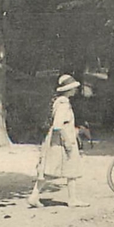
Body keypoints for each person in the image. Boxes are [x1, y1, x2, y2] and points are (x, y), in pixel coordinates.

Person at [28, 74, 89, 208]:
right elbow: (58, 125)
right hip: (62, 141)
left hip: (61, 140)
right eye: (73, 88)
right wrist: (67, 142)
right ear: (68, 90)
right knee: (60, 169)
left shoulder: (61, 102)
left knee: (59, 170)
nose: (75, 90)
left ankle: (36, 196)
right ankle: (70, 199)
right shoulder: (63, 104)